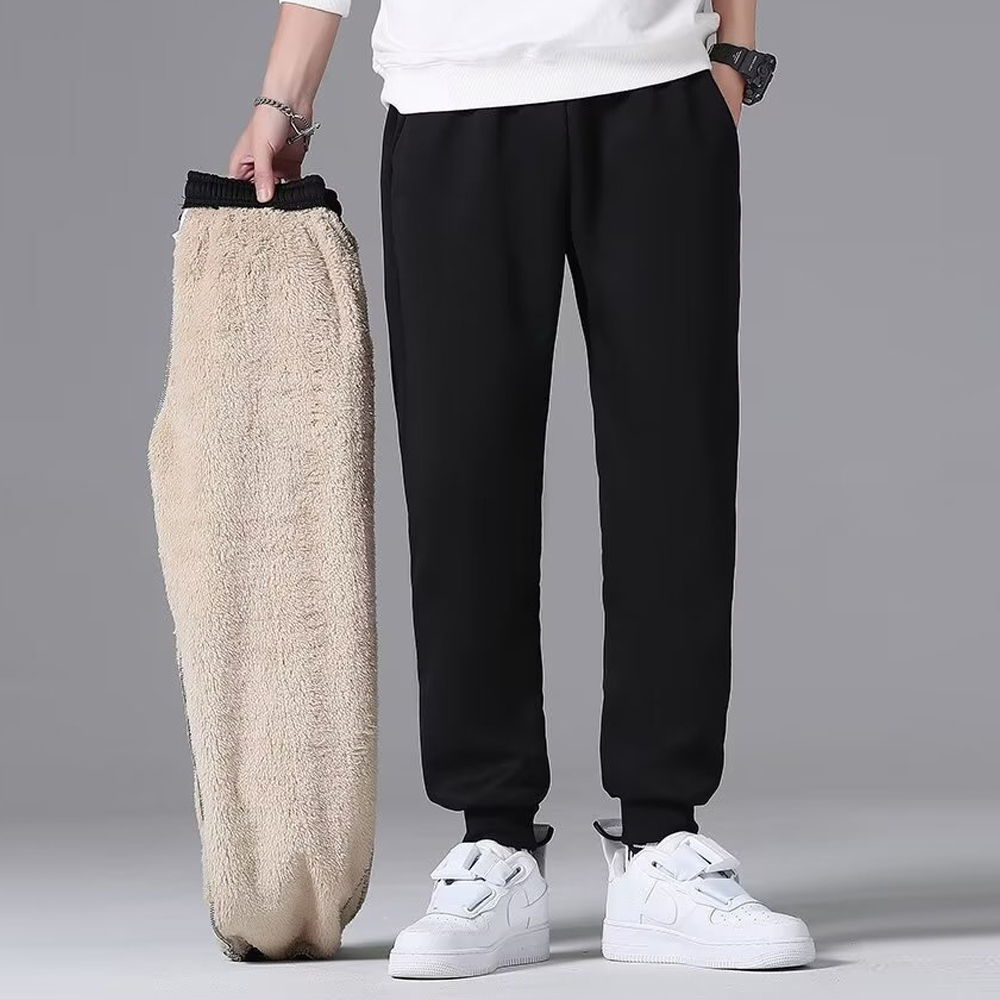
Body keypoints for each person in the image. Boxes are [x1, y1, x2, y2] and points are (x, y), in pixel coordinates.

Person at [231, 0, 814, 978]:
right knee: (462, 482)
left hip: (657, 90)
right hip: (452, 97)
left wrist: (734, 59)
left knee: (678, 469)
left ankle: (663, 841)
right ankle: (492, 846)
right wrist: (282, 98)